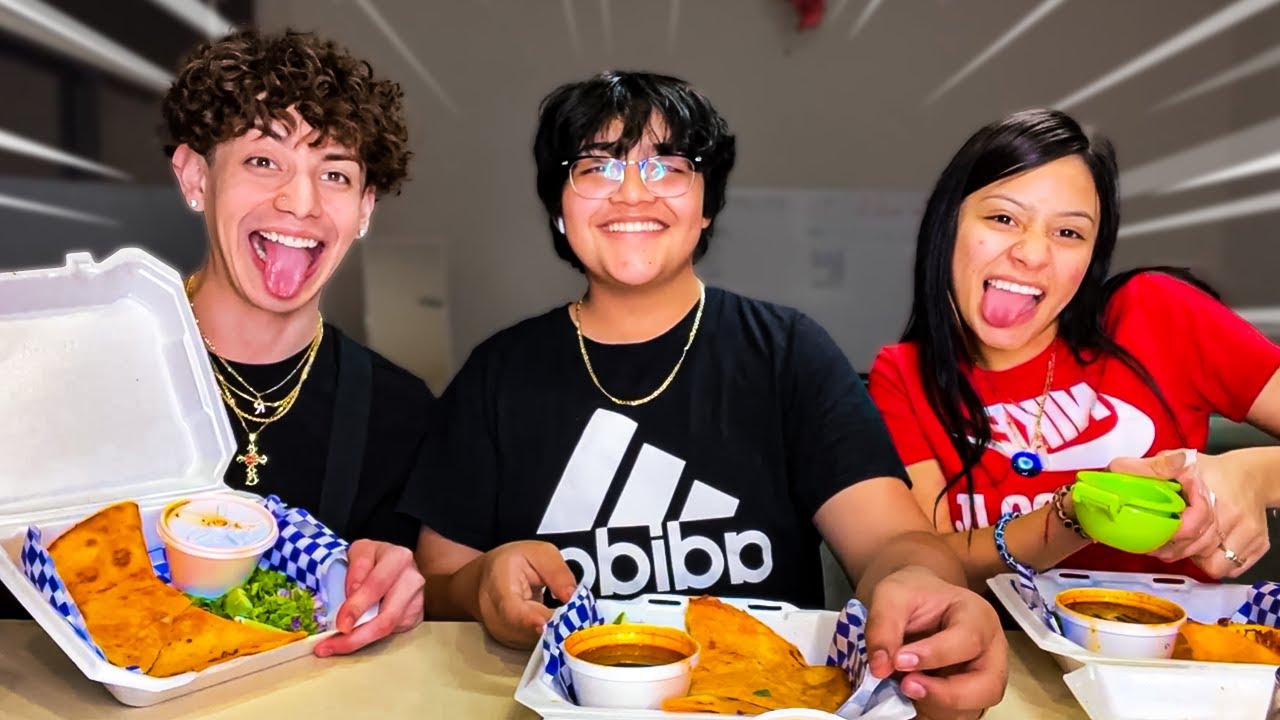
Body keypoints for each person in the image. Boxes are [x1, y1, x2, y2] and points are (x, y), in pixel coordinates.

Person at [403, 71, 1007, 718]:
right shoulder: (498, 373)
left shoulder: (788, 354)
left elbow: (893, 542)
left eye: (668, 166)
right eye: (596, 167)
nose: (633, 192)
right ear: (559, 203)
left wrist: (920, 586)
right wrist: (479, 585)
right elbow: (439, 584)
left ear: (706, 202)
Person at [867, 108, 1280, 590]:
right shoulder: (901, 376)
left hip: (1170, 659)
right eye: (1003, 218)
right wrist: (1078, 512)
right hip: (1006, 659)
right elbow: (930, 565)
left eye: (1068, 233)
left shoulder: (1155, 313)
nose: (1033, 253)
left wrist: (1254, 475)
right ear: (949, 224)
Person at [162, 29, 427, 655]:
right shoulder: (97, 372)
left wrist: (405, 586)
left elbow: (407, 594)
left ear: (364, 209)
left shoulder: (402, 411)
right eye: (263, 161)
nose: (300, 201)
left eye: (334, 173)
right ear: (195, 175)